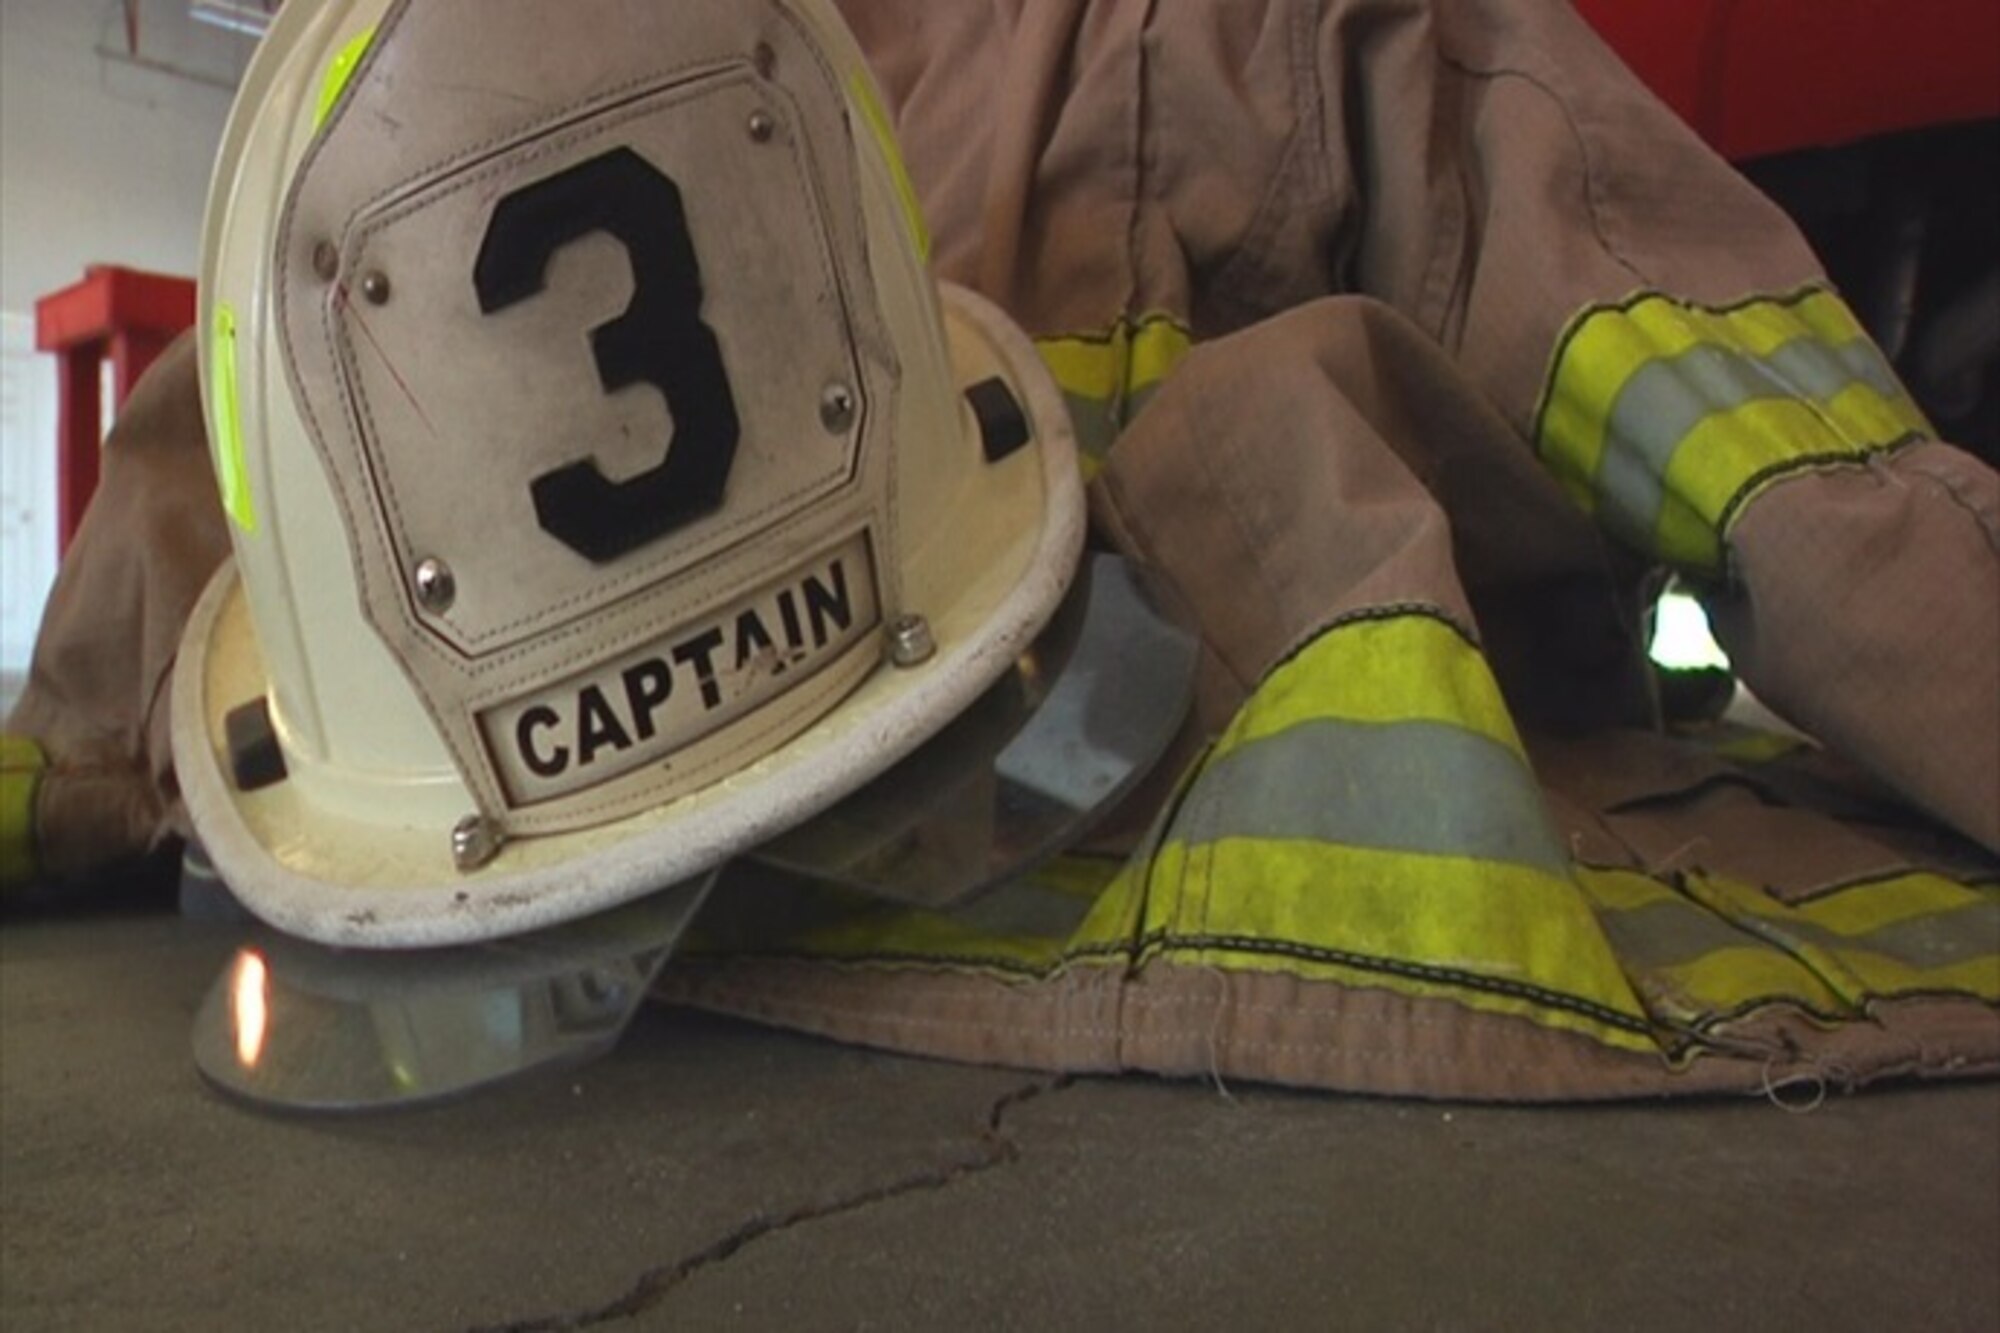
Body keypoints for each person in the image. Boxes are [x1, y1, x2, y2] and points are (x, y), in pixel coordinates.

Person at [5, 0, 1995, 1100]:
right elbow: (1795, 470)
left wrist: (71, 771)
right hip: (1057, 834)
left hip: (485, 1005)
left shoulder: (352, 110)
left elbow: (167, 573)